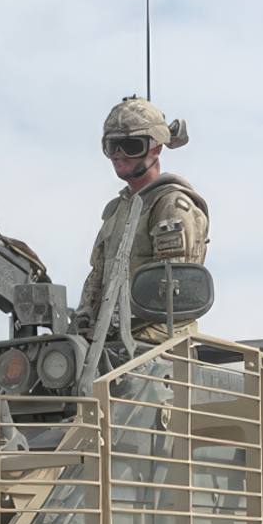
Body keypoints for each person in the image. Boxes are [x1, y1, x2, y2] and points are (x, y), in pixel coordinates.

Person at [75, 96, 210, 345]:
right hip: (112, 339)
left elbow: (173, 295)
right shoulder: (116, 211)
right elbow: (98, 277)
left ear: (156, 148)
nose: (119, 154)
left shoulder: (170, 205)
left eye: (131, 146)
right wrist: (83, 323)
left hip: (160, 340)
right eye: (112, 146)